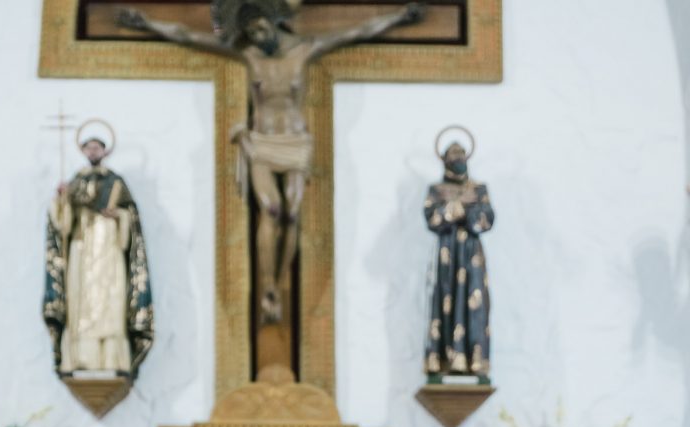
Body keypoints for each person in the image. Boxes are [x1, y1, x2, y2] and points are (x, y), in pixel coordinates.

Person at [118, 1, 424, 324]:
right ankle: (268, 286)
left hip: (295, 142)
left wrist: (400, 17)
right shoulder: (249, 56)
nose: (257, 36)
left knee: (292, 212)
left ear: (273, 21)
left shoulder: (305, 50)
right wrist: (146, 24)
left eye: (261, 29)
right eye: (250, 32)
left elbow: (358, 32)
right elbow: (187, 36)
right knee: (272, 208)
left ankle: (279, 281)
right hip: (262, 143)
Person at [43, 134, 154, 376]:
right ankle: (80, 357)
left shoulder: (115, 183)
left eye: (97, 148)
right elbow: (63, 227)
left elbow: (130, 221)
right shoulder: (76, 183)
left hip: (109, 249)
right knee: (81, 302)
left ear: (105, 151)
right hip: (81, 249)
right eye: (89, 148)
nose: (93, 152)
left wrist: (119, 217)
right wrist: (62, 201)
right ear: (83, 151)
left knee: (111, 300)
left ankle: (113, 356)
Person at [424, 138, 493, 381]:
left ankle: (475, 359)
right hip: (447, 255)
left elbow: (486, 219)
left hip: (471, 254)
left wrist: (461, 210)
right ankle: (442, 358)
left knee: (474, 302)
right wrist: (458, 206)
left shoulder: (478, 189)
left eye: (462, 154)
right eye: (454, 155)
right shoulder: (437, 190)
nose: (459, 159)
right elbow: (433, 219)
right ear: (445, 160)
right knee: (445, 301)